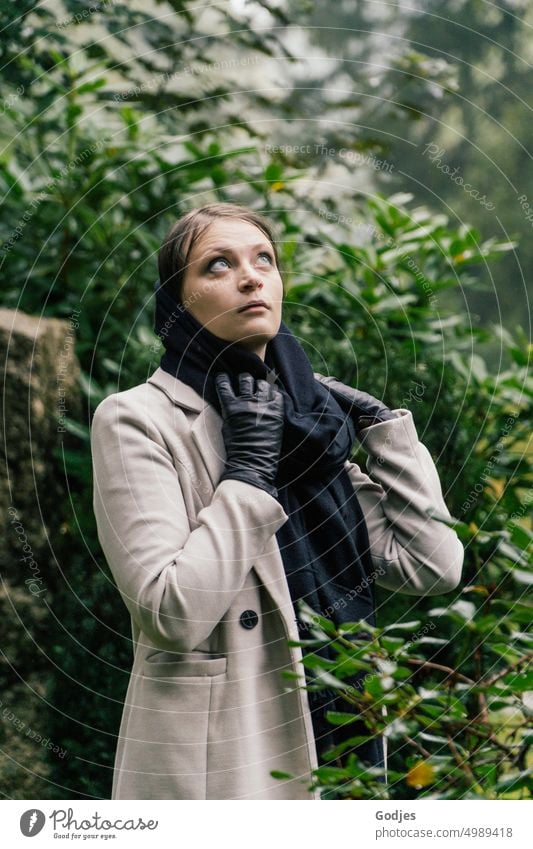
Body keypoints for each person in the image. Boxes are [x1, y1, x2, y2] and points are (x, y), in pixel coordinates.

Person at [90, 202, 464, 800]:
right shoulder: (138, 419)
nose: (250, 276)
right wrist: (249, 472)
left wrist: (383, 428)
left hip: (344, 737)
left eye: (263, 259)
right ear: (178, 300)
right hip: (229, 757)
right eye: (217, 265)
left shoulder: (307, 422)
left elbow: (434, 565)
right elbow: (169, 613)